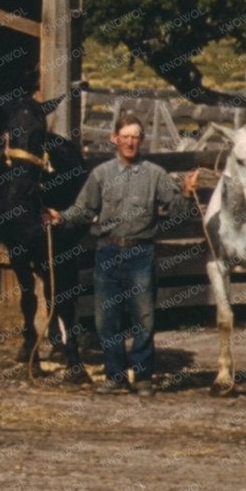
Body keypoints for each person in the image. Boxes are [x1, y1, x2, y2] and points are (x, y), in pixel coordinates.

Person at [43, 114, 202, 394]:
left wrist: (187, 194)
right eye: (125, 136)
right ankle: (115, 376)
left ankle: (142, 378)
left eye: (135, 137)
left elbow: (177, 210)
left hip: (141, 252)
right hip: (107, 252)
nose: (130, 142)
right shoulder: (101, 175)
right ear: (115, 139)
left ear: (141, 140)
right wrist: (60, 217)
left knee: (144, 319)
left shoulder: (155, 174)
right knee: (107, 319)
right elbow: (84, 210)